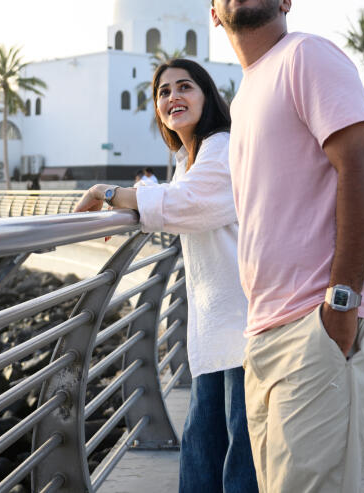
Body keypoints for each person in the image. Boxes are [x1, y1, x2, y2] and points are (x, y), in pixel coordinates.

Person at [209, 0, 364, 493]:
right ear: (215, 15)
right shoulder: (243, 100)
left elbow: (360, 169)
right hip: (265, 332)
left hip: (319, 322)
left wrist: (342, 303)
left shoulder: (305, 56)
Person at [74, 59, 257, 493]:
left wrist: (108, 193)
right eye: (163, 92)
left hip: (244, 327)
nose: (173, 97)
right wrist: (135, 208)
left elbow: (187, 203)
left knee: (235, 460)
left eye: (185, 87)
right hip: (216, 329)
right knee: (204, 450)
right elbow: (179, 201)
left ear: (207, 96)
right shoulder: (187, 158)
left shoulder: (222, 145)